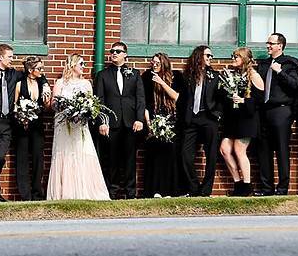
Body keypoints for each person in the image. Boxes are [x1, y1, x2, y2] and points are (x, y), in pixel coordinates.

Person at [0, 44, 50, 202]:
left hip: (6, 121)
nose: (12, 59)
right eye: (10, 57)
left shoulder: (13, 74)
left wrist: (44, 83)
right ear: (0, 57)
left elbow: (34, 72)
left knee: (0, 157)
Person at [47, 54, 110, 200]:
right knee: (65, 154)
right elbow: (53, 104)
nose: (84, 66)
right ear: (73, 64)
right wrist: (66, 108)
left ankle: (85, 191)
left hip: (80, 126)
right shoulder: (60, 83)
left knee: (83, 153)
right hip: (64, 125)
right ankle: (64, 193)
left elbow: (92, 106)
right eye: (81, 63)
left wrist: (83, 111)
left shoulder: (86, 83)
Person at [95, 41, 145, 199]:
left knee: (130, 159)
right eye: (112, 51)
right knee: (112, 159)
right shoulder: (102, 75)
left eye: (118, 51)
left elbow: (140, 98)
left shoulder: (135, 74)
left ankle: (131, 193)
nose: (114, 53)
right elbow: (99, 100)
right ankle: (113, 192)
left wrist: (139, 119)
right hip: (112, 124)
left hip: (131, 123)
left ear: (125, 55)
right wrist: (103, 121)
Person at [255, 33, 298, 196]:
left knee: (282, 150)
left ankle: (282, 189)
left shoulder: (289, 63)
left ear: (280, 45)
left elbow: (294, 85)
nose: (268, 45)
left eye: (271, 43)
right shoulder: (263, 65)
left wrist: (280, 71)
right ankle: (266, 188)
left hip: (281, 111)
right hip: (264, 111)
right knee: (263, 150)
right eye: (267, 42)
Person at [176, 45, 222, 197]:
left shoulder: (215, 76)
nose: (210, 58)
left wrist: (218, 114)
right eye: (207, 55)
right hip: (191, 119)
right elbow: (181, 100)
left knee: (211, 155)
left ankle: (206, 190)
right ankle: (194, 188)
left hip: (209, 118)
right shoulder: (187, 76)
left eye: (211, 56)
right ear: (199, 56)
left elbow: (221, 99)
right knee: (185, 155)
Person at [219, 47, 264, 197]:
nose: (233, 59)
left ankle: (247, 186)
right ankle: (238, 183)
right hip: (233, 119)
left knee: (239, 150)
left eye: (236, 57)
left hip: (247, 119)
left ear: (244, 59)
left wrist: (244, 100)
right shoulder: (234, 75)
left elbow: (260, 100)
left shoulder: (254, 76)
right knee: (225, 149)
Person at [141, 53, 184, 198]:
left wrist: (162, 83)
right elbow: (145, 104)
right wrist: (149, 125)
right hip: (154, 121)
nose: (154, 65)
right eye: (153, 62)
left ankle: (169, 191)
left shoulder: (176, 77)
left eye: (157, 63)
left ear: (164, 63)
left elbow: (178, 98)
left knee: (170, 154)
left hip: (172, 121)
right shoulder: (147, 77)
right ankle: (154, 191)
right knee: (154, 155)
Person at [13, 56, 49, 201]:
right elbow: (14, 105)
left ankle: (37, 193)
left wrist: (46, 101)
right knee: (21, 160)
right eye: (39, 68)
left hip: (38, 126)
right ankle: (24, 195)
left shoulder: (42, 83)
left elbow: (46, 106)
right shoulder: (19, 84)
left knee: (37, 159)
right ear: (30, 69)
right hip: (22, 126)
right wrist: (21, 117)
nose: (41, 71)